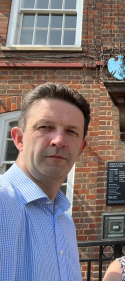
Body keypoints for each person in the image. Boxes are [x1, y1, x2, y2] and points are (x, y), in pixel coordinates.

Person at [0, 83, 90, 281]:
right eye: (45, 127)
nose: (59, 140)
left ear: (81, 149)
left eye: (71, 131)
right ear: (19, 139)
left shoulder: (65, 222)